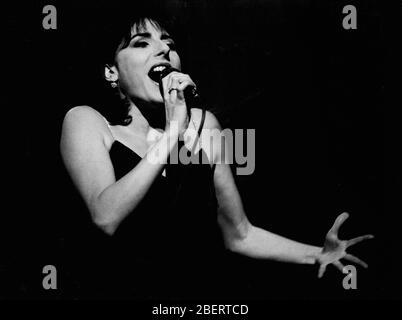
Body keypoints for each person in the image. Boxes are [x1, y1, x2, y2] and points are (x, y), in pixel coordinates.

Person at [60, 14, 373, 299]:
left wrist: (317, 253)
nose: (163, 50)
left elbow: (239, 233)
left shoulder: (203, 126)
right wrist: (172, 132)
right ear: (110, 71)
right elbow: (105, 217)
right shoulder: (88, 121)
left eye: (169, 44)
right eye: (142, 43)